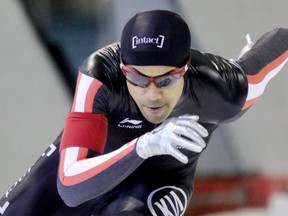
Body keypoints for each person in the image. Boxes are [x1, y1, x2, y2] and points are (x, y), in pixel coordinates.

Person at [1, 9, 287, 216]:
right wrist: (142, 146)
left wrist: (236, 74)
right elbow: (70, 187)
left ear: (185, 72)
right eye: (137, 80)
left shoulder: (219, 87)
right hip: (91, 167)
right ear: (123, 70)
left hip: (156, 182)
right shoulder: (101, 75)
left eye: (165, 81)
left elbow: (277, 43)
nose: (152, 95)